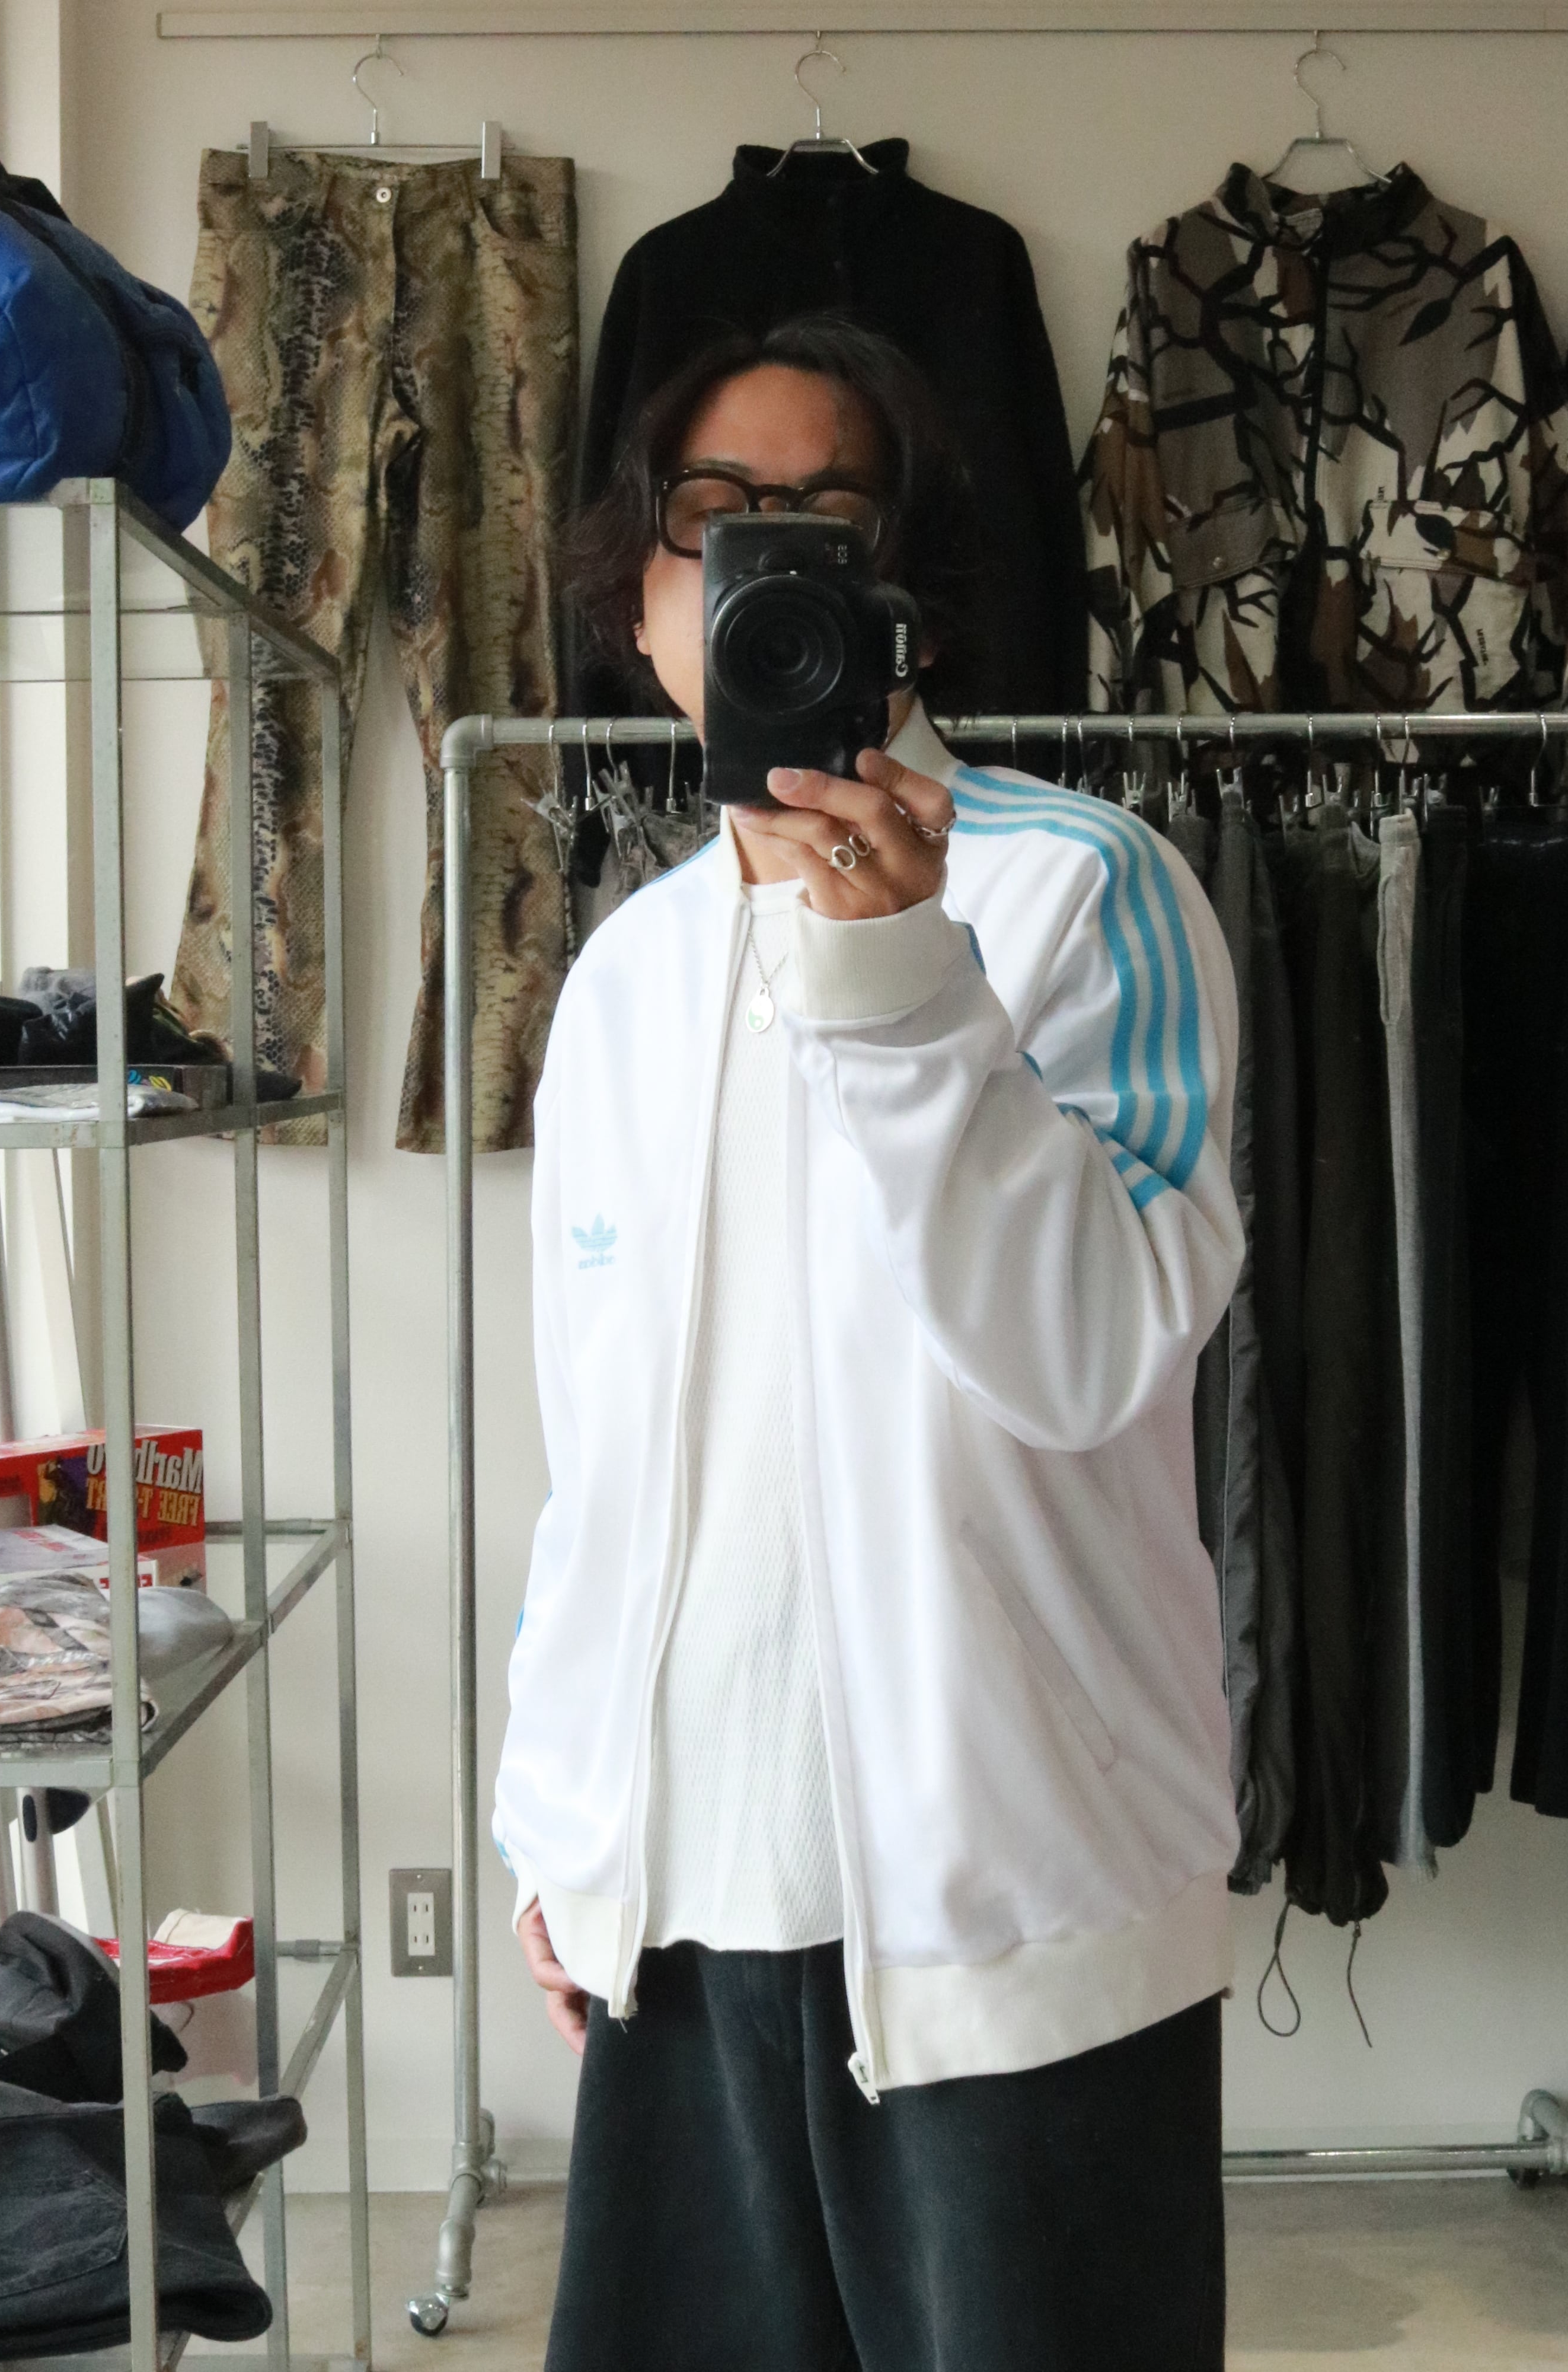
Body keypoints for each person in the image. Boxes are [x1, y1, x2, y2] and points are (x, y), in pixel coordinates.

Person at [495, 313, 1244, 2372]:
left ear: (900, 591)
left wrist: (906, 981)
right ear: (643, 604)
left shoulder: (1087, 892)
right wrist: (561, 1818)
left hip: (1017, 1922)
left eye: (827, 515)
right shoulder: (623, 980)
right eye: (713, 514)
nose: (766, 555)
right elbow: (602, 1459)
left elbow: (1092, 1351)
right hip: (685, 1919)